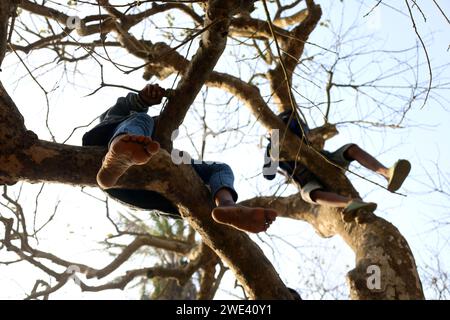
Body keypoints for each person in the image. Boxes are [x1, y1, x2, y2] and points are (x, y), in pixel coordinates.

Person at [82, 83, 277, 233]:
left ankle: (227, 205)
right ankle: (120, 151)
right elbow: (125, 106)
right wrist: (143, 99)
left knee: (221, 168)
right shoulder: (130, 119)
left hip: (149, 195)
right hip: (108, 155)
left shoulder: (159, 151)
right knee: (142, 120)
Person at [263, 109, 411, 221]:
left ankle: (387, 173)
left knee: (351, 149)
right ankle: (350, 203)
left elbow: (303, 130)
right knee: (309, 194)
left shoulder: (297, 129)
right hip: (307, 180)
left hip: (326, 160)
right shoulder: (273, 145)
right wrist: (274, 140)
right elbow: (269, 174)